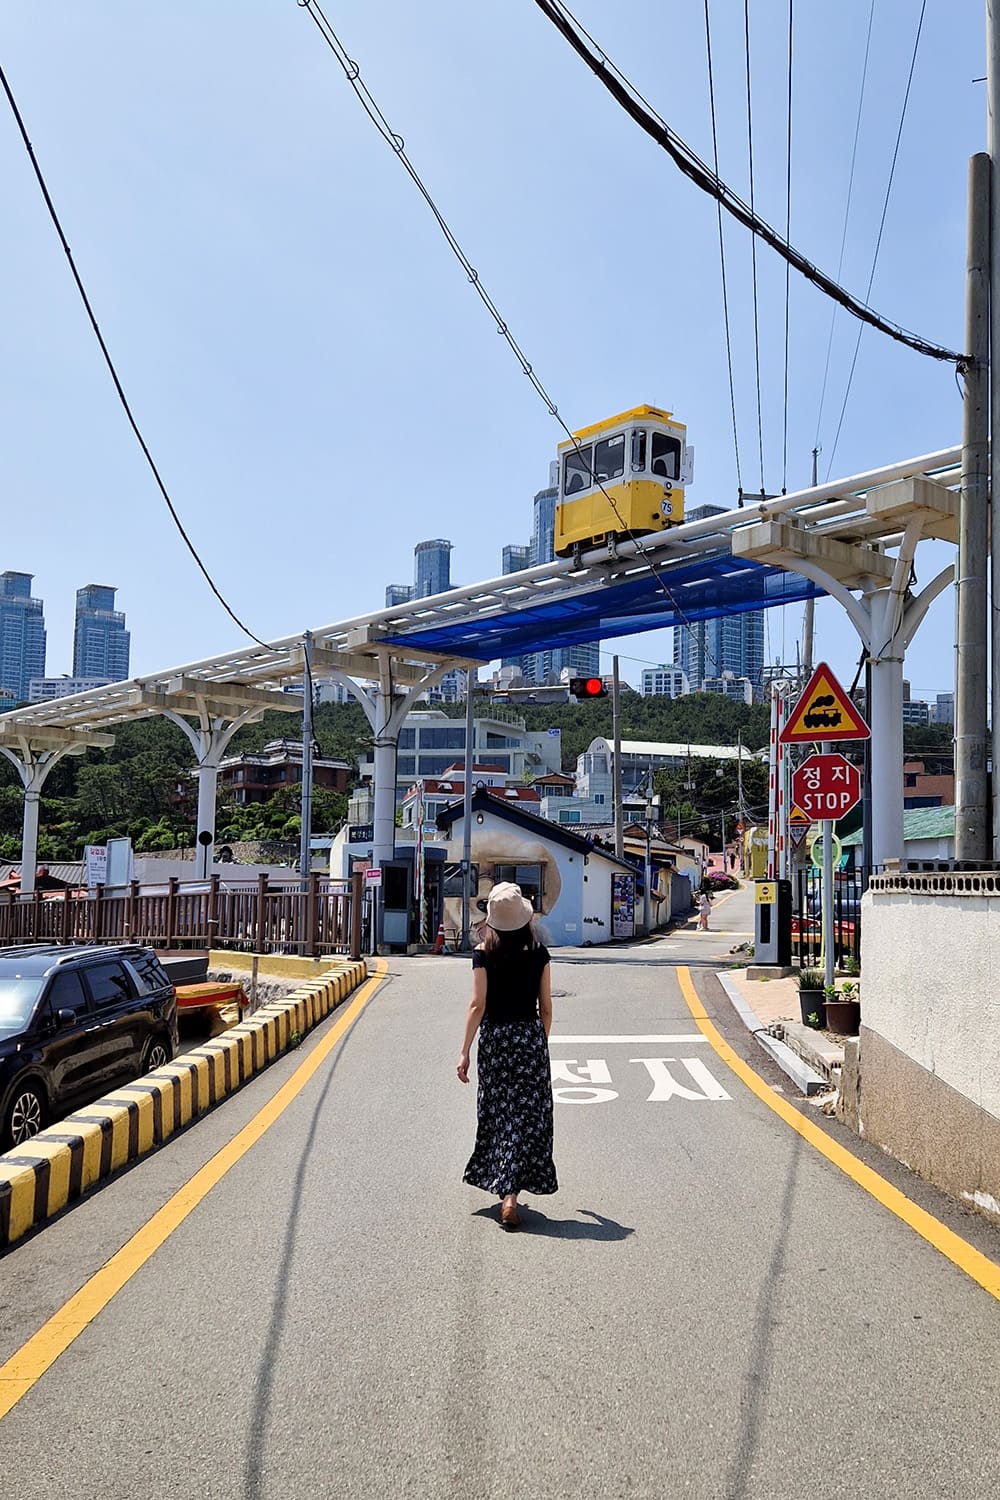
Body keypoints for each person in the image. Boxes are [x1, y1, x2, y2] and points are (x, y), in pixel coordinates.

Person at [456, 882, 557, 1229]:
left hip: (496, 1040)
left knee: (500, 1112)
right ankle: (513, 1191)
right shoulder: (539, 952)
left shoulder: (483, 953)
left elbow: (477, 1005)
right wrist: (537, 1044)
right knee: (527, 1115)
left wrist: (464, 1052)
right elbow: (546, 1008)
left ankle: (507, 1194)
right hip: (529, 1038)